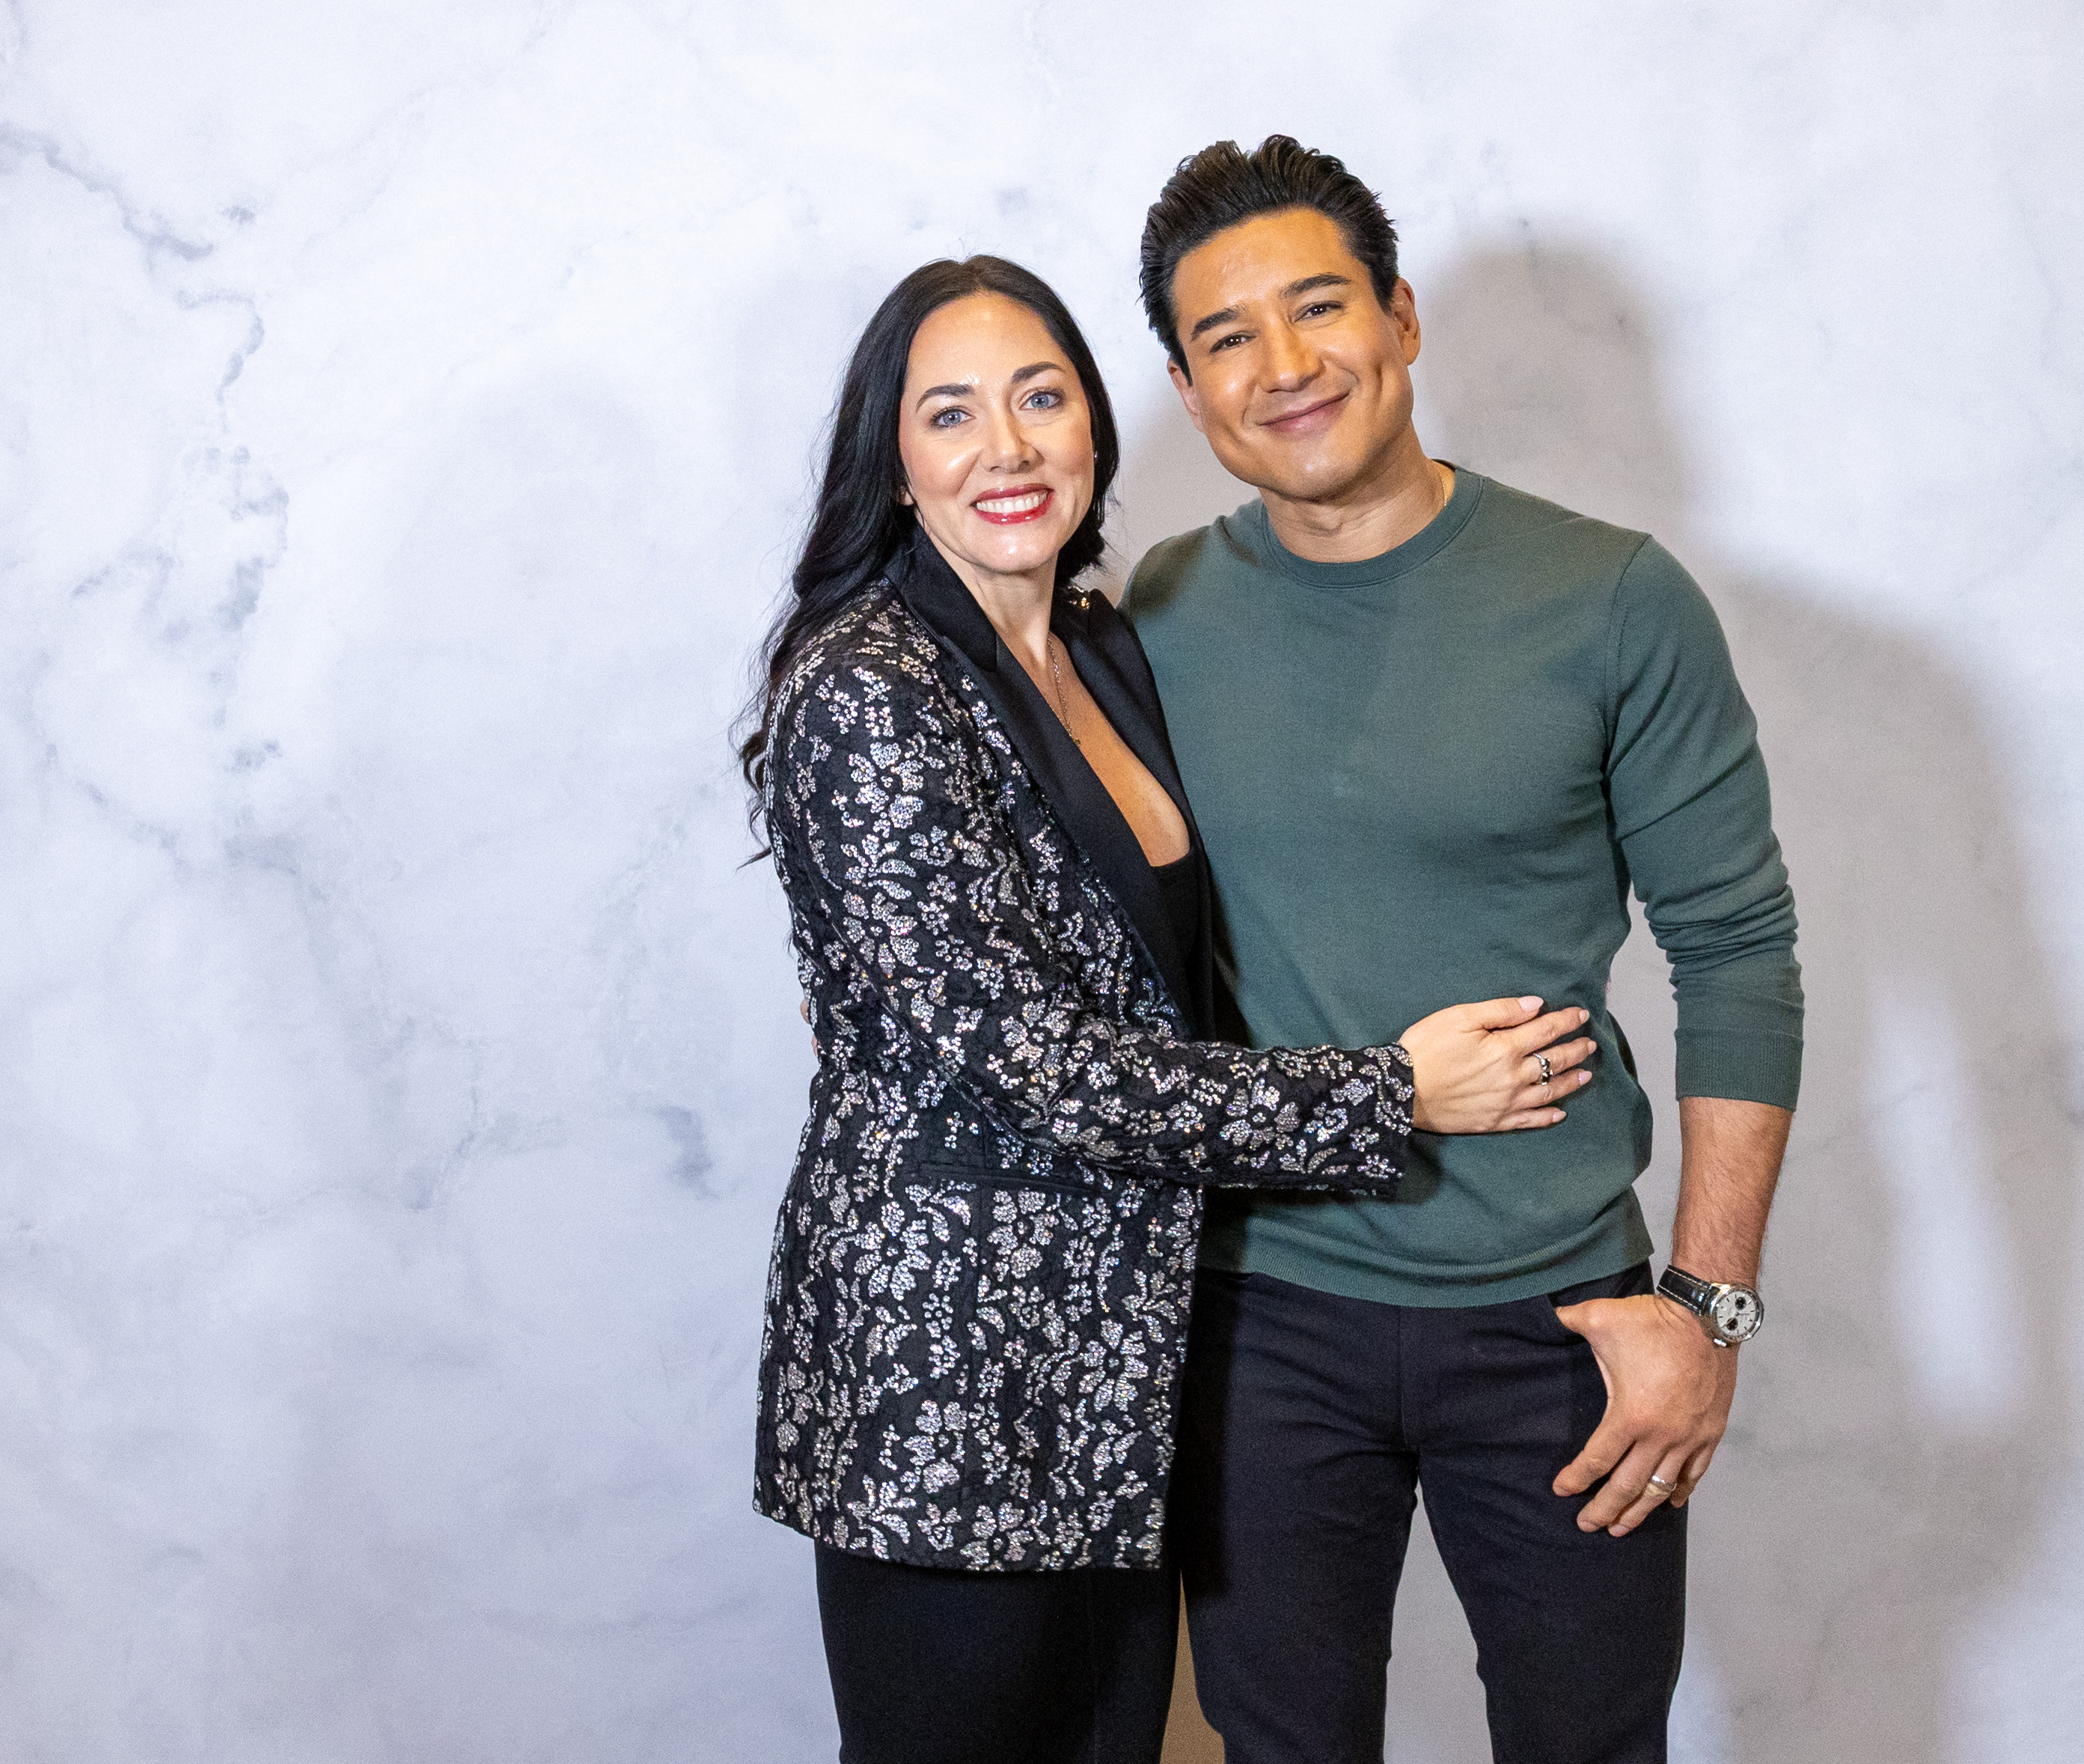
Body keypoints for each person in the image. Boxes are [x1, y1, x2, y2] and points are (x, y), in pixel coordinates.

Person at [737, 254, 1605, 1764]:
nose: (1007, 446)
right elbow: (1037, 1066)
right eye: (951, 413)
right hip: (951, 1383)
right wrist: (1393, 1094)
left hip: (1123, 1381)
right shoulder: (869, 687)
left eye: (1040, 396)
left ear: (1095, 421)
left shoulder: (1100, 646)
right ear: (894, 455)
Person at [1125, 138, 1804, 1764]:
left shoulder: (1613, 600)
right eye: (1227, 337)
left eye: (1318, 307)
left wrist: (1704, 1312)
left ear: (1401, 318)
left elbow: (1737, 954)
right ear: (1189, 390)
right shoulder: (1160, 610)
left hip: (1561, 1324)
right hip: (1262, 1321)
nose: (1284, 364)